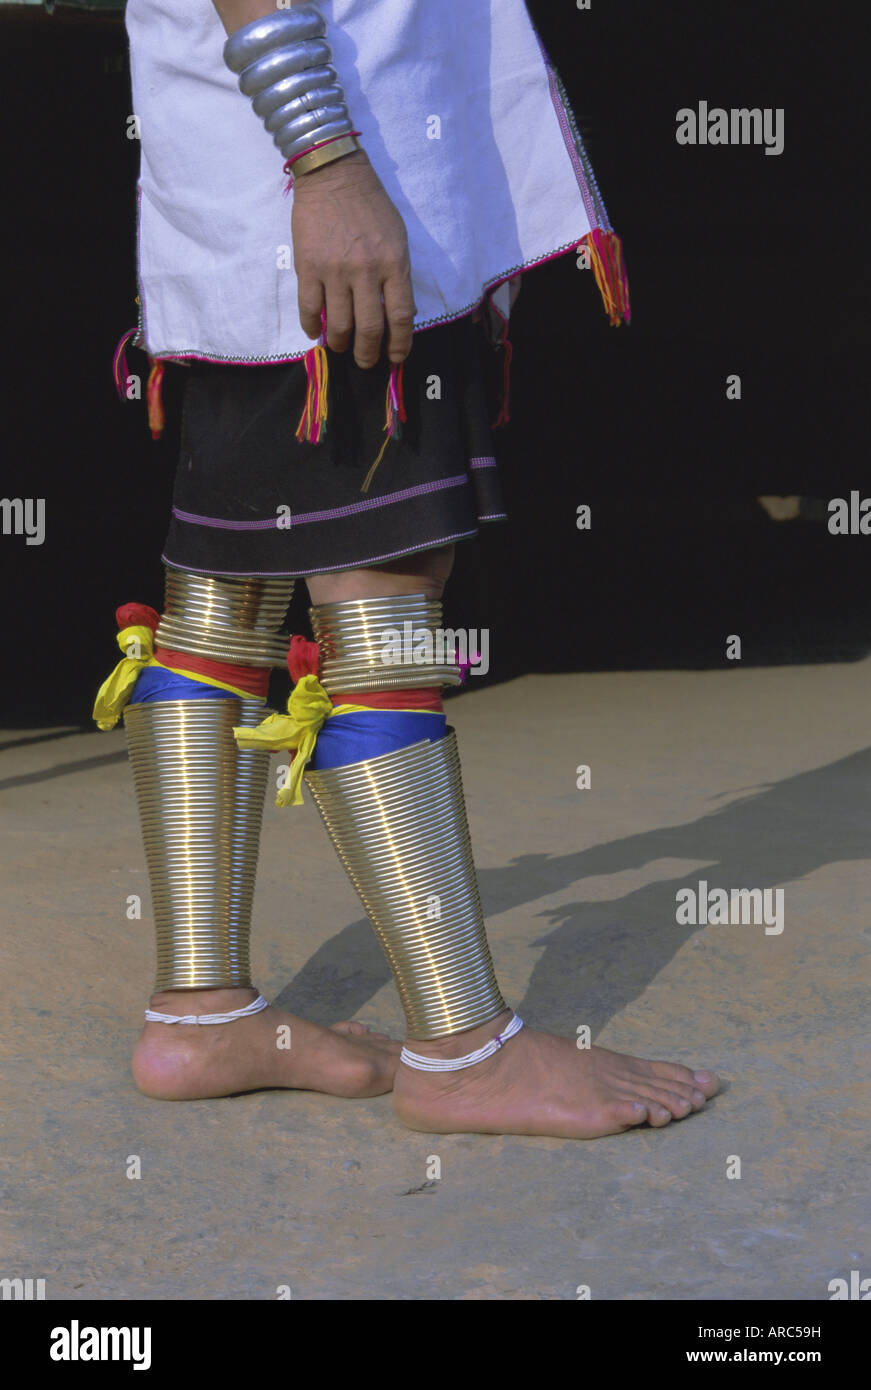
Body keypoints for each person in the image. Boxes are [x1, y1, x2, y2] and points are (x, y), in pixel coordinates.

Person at [95, 0, 718, 1136]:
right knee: (380, 604)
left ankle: (200, 1011)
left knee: (221, 608)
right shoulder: (329, 171)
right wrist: (325, 158)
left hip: (266, 182)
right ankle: (463, 1047)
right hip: (332, 177)